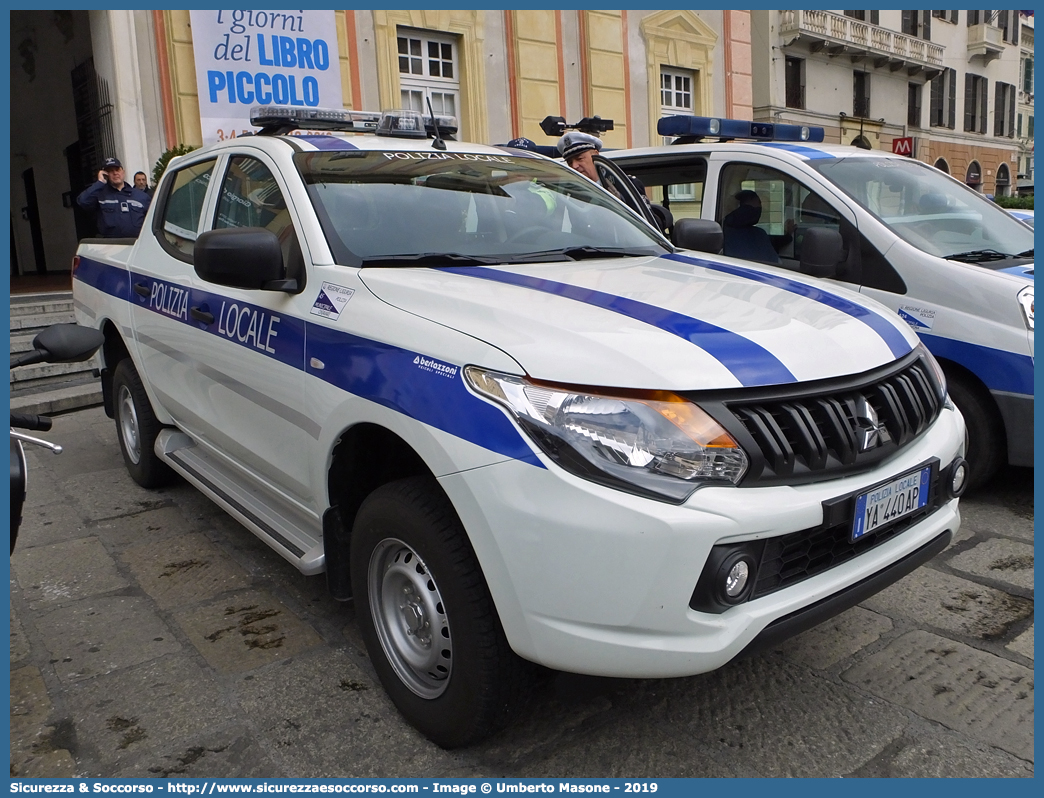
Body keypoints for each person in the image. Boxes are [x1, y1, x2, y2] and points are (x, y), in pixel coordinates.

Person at [77, 158, 151, 238]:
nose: (115, 173)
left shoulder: (141, 196)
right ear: (106, 174)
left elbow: (152, 220)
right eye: (110, 171)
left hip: (136, 245)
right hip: (110, 245)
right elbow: (83, 201)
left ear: (123, 172)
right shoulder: (100, 195)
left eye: (117, 169)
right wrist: (100, 182)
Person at [721, 189, 792, 266]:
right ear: (740, 208)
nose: (760, 208)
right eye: (758, 204)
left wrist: (788, 234)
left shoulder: (758, 234)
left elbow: (774, 242)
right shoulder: (723, 234)